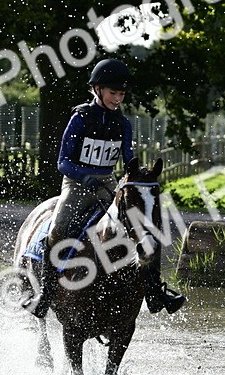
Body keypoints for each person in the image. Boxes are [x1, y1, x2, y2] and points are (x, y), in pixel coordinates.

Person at [26, 57, 185, 318]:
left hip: (108, 182)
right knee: (59, 229)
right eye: (113, 93)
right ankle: (46, 293)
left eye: (121, 94)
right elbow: (63, 162)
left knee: (144, 228)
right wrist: (84, 177)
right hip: (76, 184)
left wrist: (134, 179)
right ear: (98, 89)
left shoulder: (123, 123)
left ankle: (156, 292)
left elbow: (127, 158)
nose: (118, 99)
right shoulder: (80, 118)